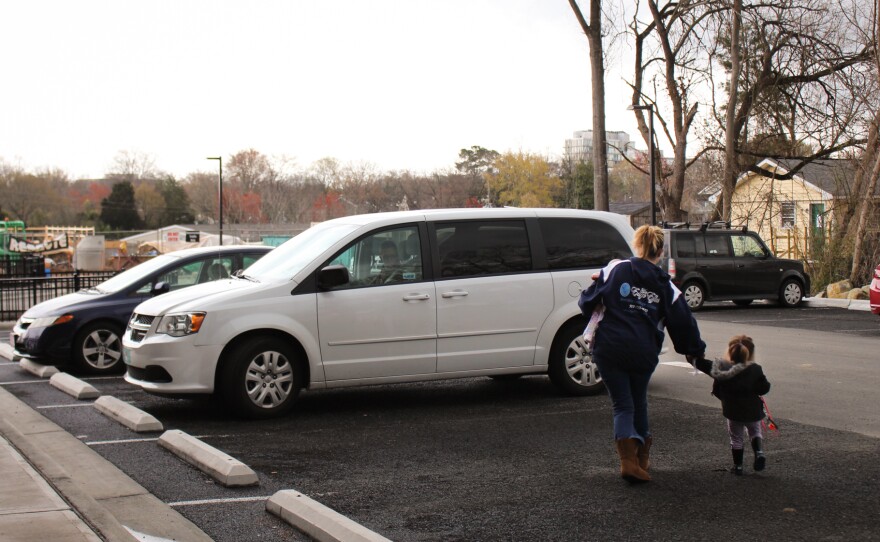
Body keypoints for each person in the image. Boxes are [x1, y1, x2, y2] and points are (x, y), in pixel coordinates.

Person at [578, 224, 706, 483]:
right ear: (661, 252)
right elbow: (683, 322)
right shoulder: (666, 285)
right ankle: (641, 459)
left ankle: (628, 460)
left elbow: (586, 302)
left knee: (623, 405)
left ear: (637, 246)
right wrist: (694, 351)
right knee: (639, 401)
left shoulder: (615, 269)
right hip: (643, 350)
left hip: (609, 346)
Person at [690, 335, 771, 475]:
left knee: (736, 438)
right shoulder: (755, 369)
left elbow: (703, 365)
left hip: (732, 411)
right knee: (755, 432)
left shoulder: (722, 368)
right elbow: (764, 388)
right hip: (753, 410)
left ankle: (738, 467)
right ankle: (759, 452)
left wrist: (692, 356)